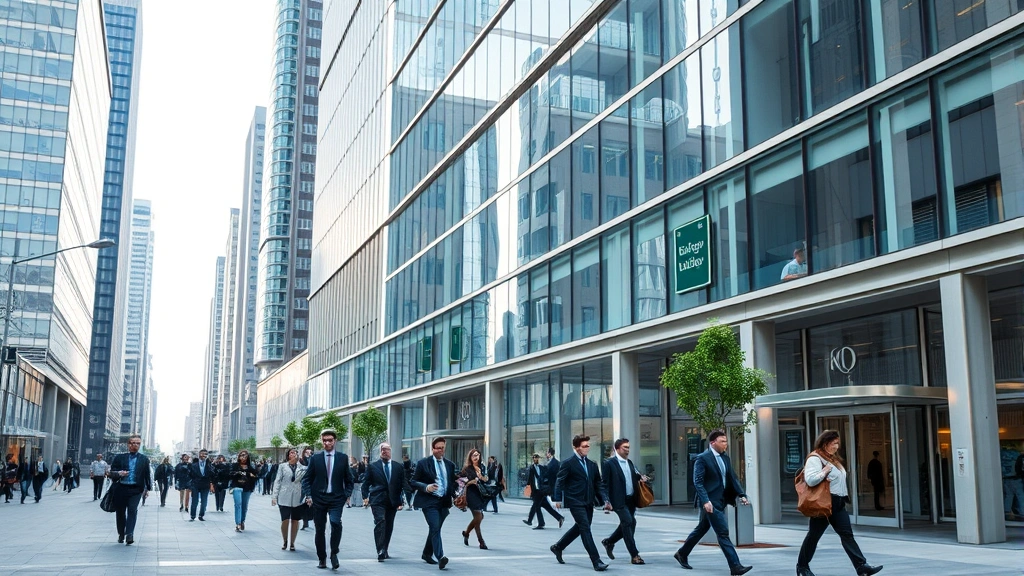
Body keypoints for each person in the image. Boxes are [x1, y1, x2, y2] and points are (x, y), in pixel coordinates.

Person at [797, 430, 883, 576]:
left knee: (847, 534)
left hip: (838, 503)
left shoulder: (832, 459)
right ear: (825, 443)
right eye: (834, 443)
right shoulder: (815, 458)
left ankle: (862, 566)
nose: (837, 446)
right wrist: (824, 472)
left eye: (837, 443)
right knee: (814, 536)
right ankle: (802, 567)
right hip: (824, 503)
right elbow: (810, 480)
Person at [673, 429, 752, 575]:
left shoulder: (725, 458)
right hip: (710, 502)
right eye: (722, 441)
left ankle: (682, 553)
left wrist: (741, 494)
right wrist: (705, 501)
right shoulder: (702, 458)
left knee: (702, 529)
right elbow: (698, 482)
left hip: (721, 500)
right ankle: (735, 566)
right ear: (712, 443)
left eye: (726, 441)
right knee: (723, 532)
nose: (725, 444)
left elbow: (732, 478)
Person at [549, 435, 608, 572]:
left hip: (589, 501)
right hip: (575, 501)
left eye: (588, 445)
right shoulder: (568, 463)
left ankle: (558, 547)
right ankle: (596, 561)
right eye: (584, 446)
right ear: (576, 448)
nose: (587, 448)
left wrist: (605, 499)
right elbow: (560, 481)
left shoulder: (592, 464)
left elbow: (598, 484)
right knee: (585, 529)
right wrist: (557, 499)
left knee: (580, 528)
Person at [301, 428, 354, 570]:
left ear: (335, 441)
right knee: (320, 529)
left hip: (337, 498)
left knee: (336, 523)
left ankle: (334, 552)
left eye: (330, 440)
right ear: (322, 441)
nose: (327, 443)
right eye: (324, 440)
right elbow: (306, 479)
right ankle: (322, 558)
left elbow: (350, 480)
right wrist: (309, 495)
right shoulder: (315, 458)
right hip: (319, 498)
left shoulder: (342, 458)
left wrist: (346, 495)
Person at [411, 436, 456, 569]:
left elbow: (451, 483)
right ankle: (441, 557)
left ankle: (426, 553)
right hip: (429, 501)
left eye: (443, 448)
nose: (441, 451)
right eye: (438, 448)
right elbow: (413, 481)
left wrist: (457, 496)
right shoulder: (423, 463)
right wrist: (426, 487)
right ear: (433, 448)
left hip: (443, 502)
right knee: (435, 527)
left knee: (435, 529)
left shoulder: (450, 464)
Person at [601, 438, 647, 565]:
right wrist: (606, 501)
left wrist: (641, 477)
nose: (627, 450)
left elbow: (633, 476)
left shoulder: (630, 463)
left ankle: (609, 542)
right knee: (628, 521)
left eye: (628, 447)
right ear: (617, 449)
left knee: (631, 523)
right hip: (618, 500)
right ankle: (634, 555)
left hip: (631, 499)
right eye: (624, 447)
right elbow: (604, 484)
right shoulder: (609, 463)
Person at [362, 442, 408, 561]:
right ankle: (380, 550)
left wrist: (409, 496)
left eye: (387, 449)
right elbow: (366, 483)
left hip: (392, 500)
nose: (385, 451)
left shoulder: (398, 467)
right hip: (377, 499)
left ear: (390, 451)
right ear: (380, 451)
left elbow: (403, 483)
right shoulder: (373, 466)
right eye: (383, 449)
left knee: (389, 525)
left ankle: (385, 548)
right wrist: (365, 497)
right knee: (380, 522)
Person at [109, 434, 152, 545]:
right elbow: (111, 472)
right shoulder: (120, 457)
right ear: (128, 444)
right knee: (120, 512)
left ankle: (129, 534)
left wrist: (147, 489)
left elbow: (147, 474)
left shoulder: (144, 459)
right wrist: (119, 473)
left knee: (132, 510)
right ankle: (121, 534)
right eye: (133, 443)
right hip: (121, 488)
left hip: (136, 489)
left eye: (138, 443)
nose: (135, 445)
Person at [272, 448, 307, 552]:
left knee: (295, 520)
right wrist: (274, 496)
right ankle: (285, 540)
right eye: (292, 452)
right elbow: (277, 481)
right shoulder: (282, 466)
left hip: (297, 496)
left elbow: (306, 481)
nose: (294, 454)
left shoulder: (303, 467)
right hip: (284, 495)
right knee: (285, 519)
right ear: (288, 455)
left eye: (295, 452)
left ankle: (292, 543)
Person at [459, 448, 490, 550]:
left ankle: (466, 533)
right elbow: (460, 482)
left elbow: (487, 479)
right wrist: (470, 482)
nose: (476, 457)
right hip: (471, 495)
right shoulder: (467, 469)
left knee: (479, 518)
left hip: (481, 494)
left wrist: (483, 478)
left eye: (477, 455)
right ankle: (481, 542)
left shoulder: (482, 468)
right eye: (474, 455)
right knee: (478, 517)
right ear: (470, 457)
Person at [525, 451, 564, 529]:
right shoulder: (532, 468)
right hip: (536, 490)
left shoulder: (542, 468)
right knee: (544, 506)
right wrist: (528, 487)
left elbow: (547, 477)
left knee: (536, 506)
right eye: (535, 458)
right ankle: (559, 518)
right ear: (533, 459)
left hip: (541, 490)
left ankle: (540, 523)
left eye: (537, 458)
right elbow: (530, 479)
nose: (536, 459)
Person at [229, 450, 259, 532]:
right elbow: (230, 474)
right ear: (239, 457)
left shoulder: (250, 467)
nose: (244, 457)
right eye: (242, 455)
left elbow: (256, 476)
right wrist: (237, 473)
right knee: (238, 504)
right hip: (237, 487)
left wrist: (250, 475)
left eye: (245, 456)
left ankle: (242, 521)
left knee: (244, 506)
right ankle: (237, 523)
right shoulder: (235, 466)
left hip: (247, 488)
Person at [189, 449, 215, 521]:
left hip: (205, 484)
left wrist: (209, 464)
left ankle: (201, 515)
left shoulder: (209, 464)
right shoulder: (193, 465)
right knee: (195, 500)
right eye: (202, 454)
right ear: (199, 455)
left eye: (206, 454)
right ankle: (193, 515)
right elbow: (190, 475)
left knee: (204, 501)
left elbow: (212, 474)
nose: (204, 455)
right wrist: (191, 484)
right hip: (196, 484)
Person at [299, 447, 314, 529]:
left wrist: (310, 457)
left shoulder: (313, 459)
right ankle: (305, 522)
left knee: (312, 505)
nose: (308, 453)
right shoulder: (301, 461)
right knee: (303, 504)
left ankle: (312, 519)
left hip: (311, 485)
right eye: (306, 452)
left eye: (310, 451)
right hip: (302, 485)